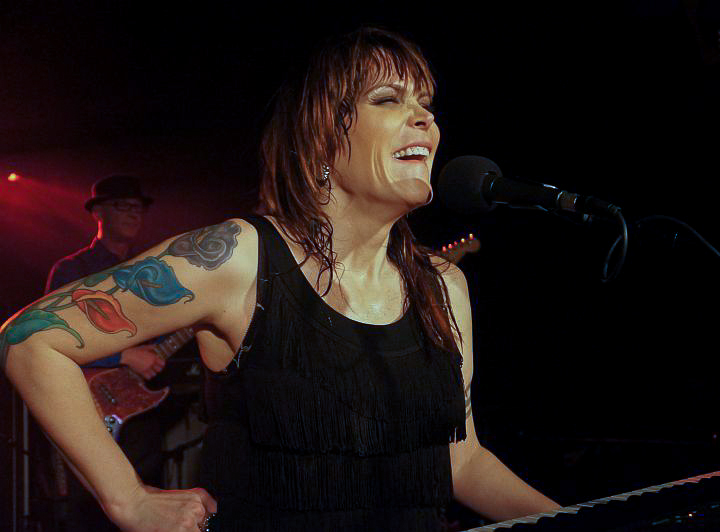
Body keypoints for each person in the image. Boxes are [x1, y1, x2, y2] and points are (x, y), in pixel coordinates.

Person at [1, 27, 560, 532]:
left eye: (426, 104)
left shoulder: (443, 286)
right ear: (322, 135)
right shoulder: (240, 257)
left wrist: (577, 521)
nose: (425, 119)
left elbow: (461, 460)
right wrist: (128, 500)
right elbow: (30, 340)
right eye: (389, 99)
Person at [38, 175, 169, 531]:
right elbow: (50, 340)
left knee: (147, 500)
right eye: (122, 206)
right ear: (98, 212)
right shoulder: (72, 269)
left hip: (139, 412)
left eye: (137, 207)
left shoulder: (149, 271)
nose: (133, 213)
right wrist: (122, 357)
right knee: (90, 506)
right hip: (87, 406)